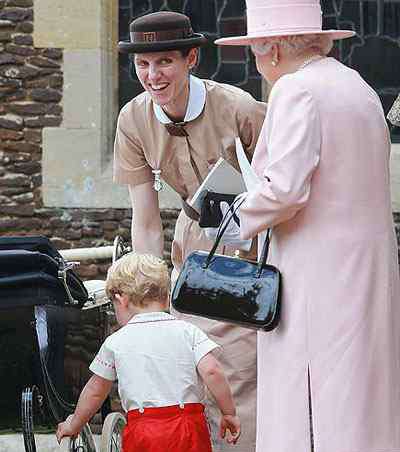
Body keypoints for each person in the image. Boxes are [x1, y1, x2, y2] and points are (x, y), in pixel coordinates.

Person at [213, 0, 400, 451]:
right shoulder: (356, 86)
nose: (257, 63)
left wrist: (234, 220)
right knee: (363, 399)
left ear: (272, 50)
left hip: (317, 274)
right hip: (367, 268)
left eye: (255, 51)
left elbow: (284, 189)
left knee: (314, 402)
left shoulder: (296, 90)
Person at [114, 10, 266, 451]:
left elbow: (284, 186)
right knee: (186, 362)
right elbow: (144, 220)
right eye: (142, 64)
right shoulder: (133, 119)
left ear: (191, 58)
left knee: (234, 367)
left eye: (164, 62)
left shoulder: (238, 107)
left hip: (247, 245)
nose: (152, 75)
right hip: (191, 240)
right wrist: (147, 296)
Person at [56, 252, 241, 452]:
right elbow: (212, 370)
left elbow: (95, 391)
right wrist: (228, 413)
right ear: (167, 296)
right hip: (188, 425)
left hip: (144, 428)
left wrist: (74, 424)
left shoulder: (116, 342)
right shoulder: (188, 331)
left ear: (121, 299)